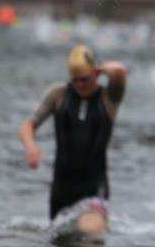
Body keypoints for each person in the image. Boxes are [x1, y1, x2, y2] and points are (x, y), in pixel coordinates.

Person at [19, 45, 127, 229]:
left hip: (95, 189)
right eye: (75, 80)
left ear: (96, 73)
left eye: (84, 79)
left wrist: (101, 69)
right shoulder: (58, 94)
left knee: (90, 236)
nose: (79, 85)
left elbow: (119, 71)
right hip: (61, 190)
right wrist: (31, 147)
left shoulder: (110, 98)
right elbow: (28, 125)